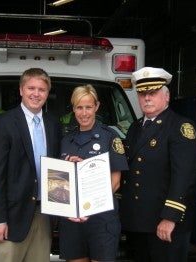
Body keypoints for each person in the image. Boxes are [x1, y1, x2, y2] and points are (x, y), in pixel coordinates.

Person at [120, 66, 196, 262]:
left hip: (163, 222)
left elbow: (183, 177)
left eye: (153, 93)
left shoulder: (180, 127)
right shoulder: (135, 127)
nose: (146, 98)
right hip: (137, 222)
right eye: (142, 94)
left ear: (167, 96)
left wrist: (170, 217)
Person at [0, 68, 61, 262]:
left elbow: (57, 167)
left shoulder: (53, 124)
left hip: (43, 215)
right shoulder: (4, 123)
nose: (36, 94)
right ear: (21, 90)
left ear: (47, 93)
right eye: (31, 88)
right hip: (11, 217)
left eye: (42, 89)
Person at [58, 84, 129, 262]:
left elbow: (116, 182)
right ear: (73, 109)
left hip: (101, 219)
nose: (84, 113)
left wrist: (89, 206)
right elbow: (59, 181)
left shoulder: (110, 137)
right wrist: (65, 168)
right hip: (72, 220)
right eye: (79, 107)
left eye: (88, 107)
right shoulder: (66, 140)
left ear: (96, 107)